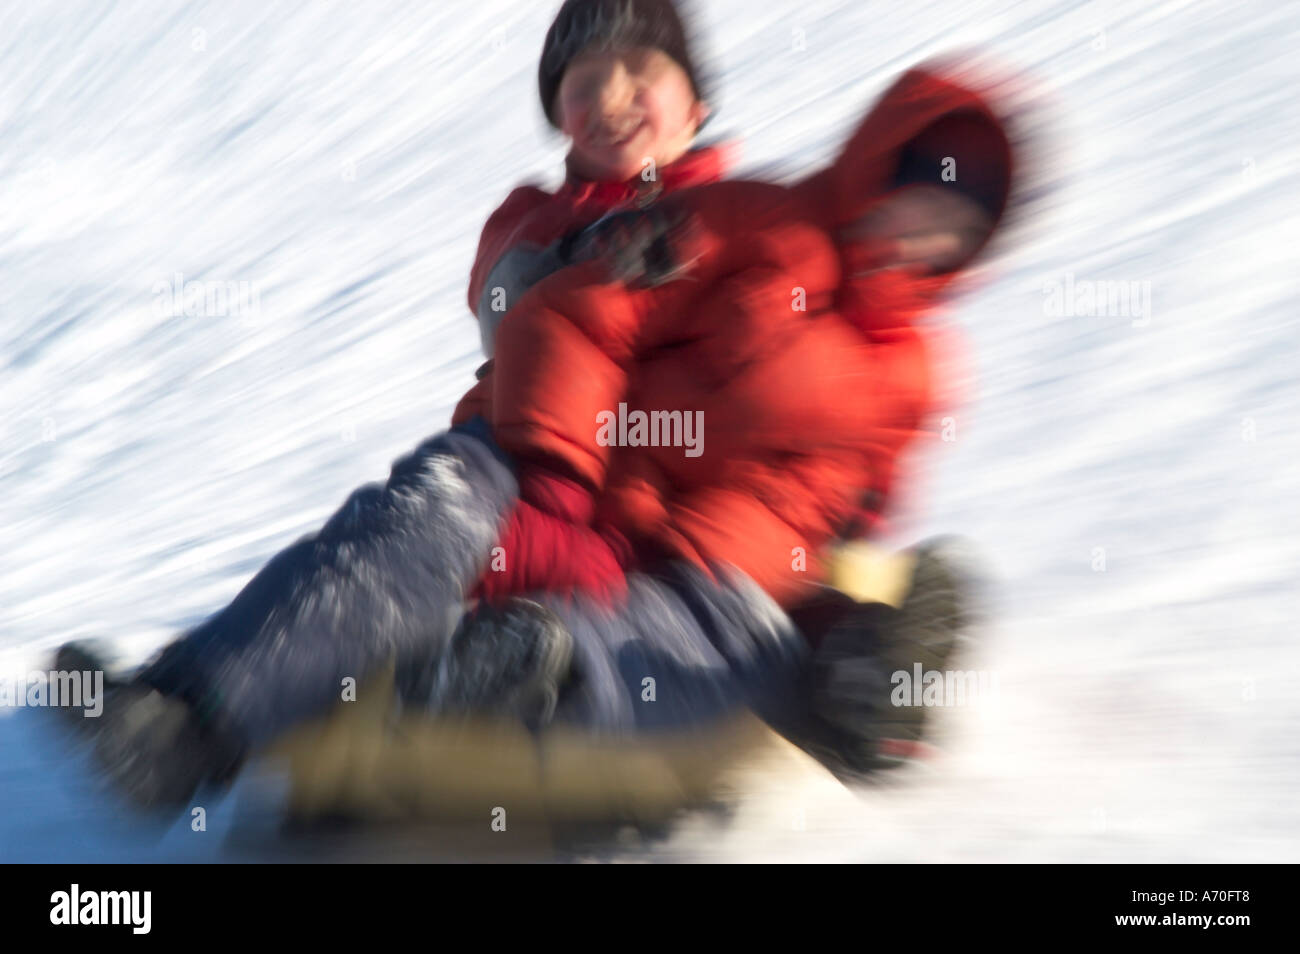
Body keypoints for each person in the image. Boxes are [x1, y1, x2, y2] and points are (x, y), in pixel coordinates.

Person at [56, 0, 1016, 813]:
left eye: (641, 69)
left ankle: (839, 669)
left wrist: (827, 570)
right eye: (581, 80)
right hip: (531, 466)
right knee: (417, 522)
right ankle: (186, 717)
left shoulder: (752, 224)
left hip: (676, 538)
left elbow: (850, 497)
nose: (610, 97)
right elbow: (516, 302)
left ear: (699, 96)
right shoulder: (562, 219)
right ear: (556, 111)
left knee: (739, 622)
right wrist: (596, 254)